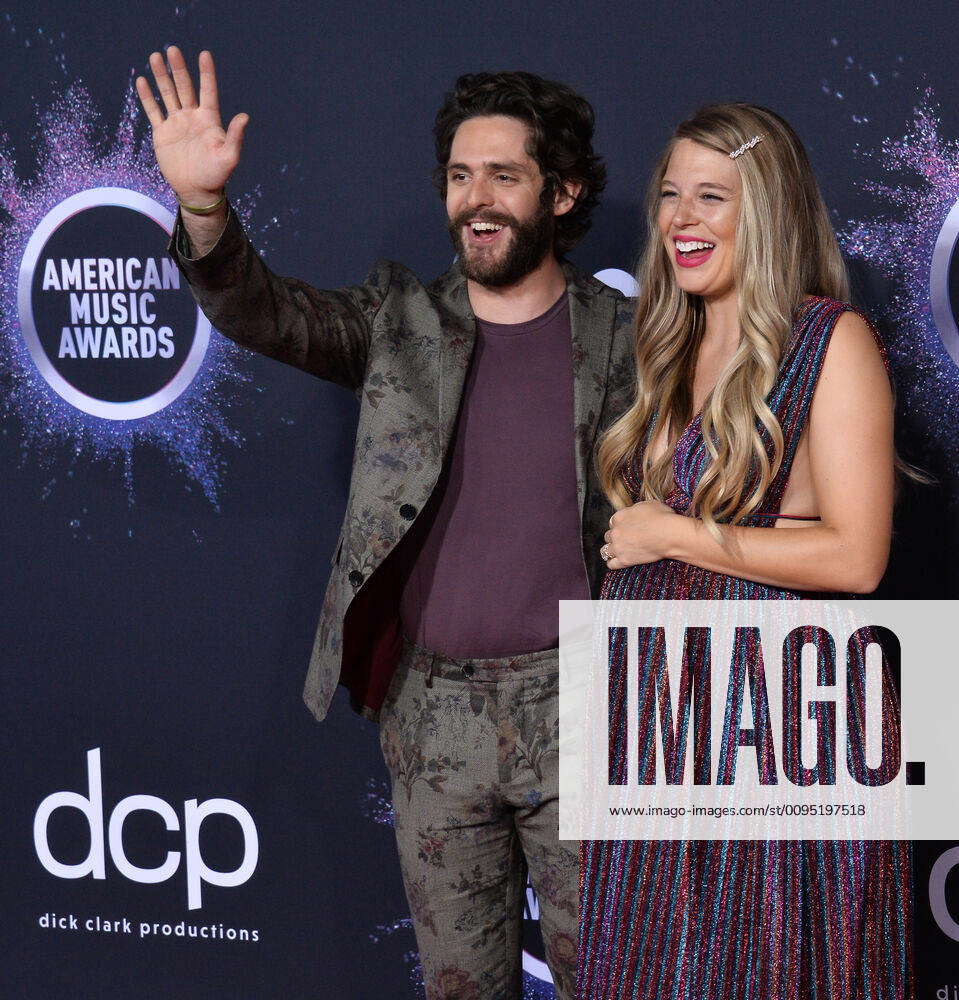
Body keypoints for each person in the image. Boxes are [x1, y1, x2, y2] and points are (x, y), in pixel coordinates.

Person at [135, 48, 634, 999]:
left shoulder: (628, 332)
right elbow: (266, 313)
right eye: (458, 175)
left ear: (562, 193)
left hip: (589, 707)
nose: (474, 198)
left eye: (503, 175)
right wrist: (202, 208)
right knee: (457, 986)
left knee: (612, 978)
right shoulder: (396, 319)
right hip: (431, 713)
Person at [579, 103, 913, 999]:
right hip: (667, 713)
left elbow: (855, 559)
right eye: (669, 195)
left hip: (784, 714)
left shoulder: (827, 340)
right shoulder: (672, 339)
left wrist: (672, 532)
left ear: (763, 211)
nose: (680, 219)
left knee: (775, 968)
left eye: (710, 198)